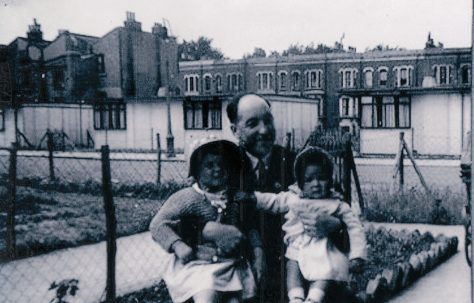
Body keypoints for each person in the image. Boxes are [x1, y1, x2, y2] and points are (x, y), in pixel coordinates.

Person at [224, 93, 345, 302]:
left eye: (268, 120)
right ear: (235, 130)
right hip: (245, 273)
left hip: (299, 268)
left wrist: (334, 224)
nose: (264, 130)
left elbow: (343, 206)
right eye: (253, 124)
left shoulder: (298, 164)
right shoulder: (223, 169)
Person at [149, 138, 263, 303]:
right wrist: (177, 244)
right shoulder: (187, 197)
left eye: (222, 165)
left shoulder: (235, 198)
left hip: (230, 265)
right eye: (209, 165)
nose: (217, 169)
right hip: (198, 265)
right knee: (207, 295)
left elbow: (250, 227)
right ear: (195, 170)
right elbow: (157, 224)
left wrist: (258, 253)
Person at [253, 147, 367, 303]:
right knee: (292, 267)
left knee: (325, 271)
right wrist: (254, 198)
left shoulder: (337, 204)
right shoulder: (293, 198)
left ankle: (314, 298)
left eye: (322, 178)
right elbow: (274, 201)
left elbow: (355, 228)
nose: (316, 184)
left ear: (330, 180)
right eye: (309, 180)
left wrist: (357, 255)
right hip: (298, 247)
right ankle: (295, 298)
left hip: (324, 248)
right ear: (300, 182)